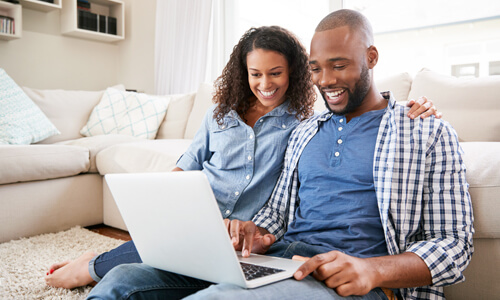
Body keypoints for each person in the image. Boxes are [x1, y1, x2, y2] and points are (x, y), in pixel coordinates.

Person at [85, 9, 473, 300]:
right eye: (317, 69)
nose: (326, 81)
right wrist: (257, 231)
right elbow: (278, 213)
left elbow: (455, 246)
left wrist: (371, 270)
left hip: (345, 279)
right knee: (124, 282)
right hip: (280, 259)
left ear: (371, 57)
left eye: (339, 65)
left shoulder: (425, 131)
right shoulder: (306, 131)